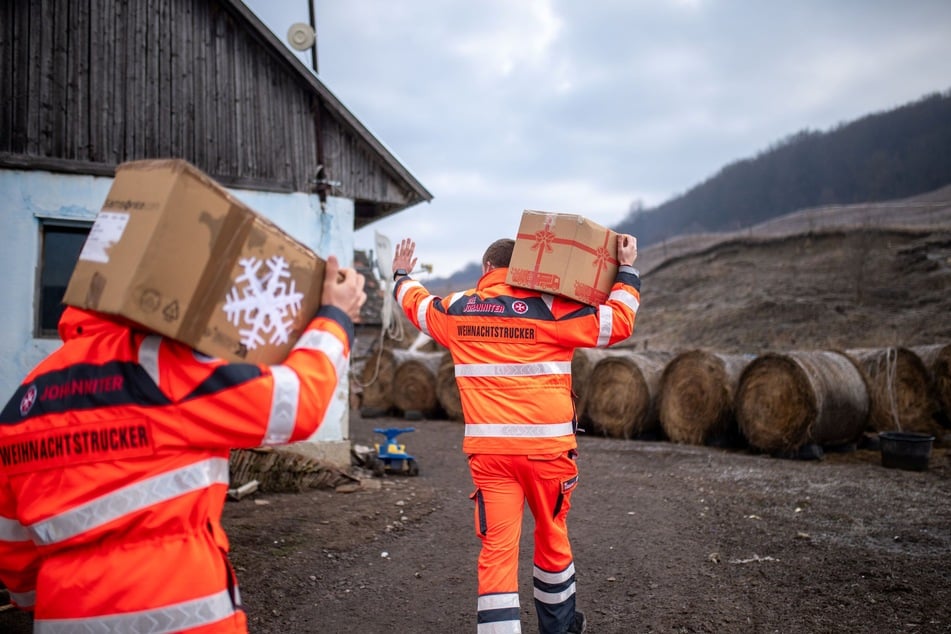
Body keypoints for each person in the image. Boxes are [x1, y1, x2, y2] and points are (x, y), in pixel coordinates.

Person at [0, 255, 366, 633]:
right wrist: (335, 317)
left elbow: (14, 552)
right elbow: (296, 404)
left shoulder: (22, 402)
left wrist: (42, 599)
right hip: (187, 617)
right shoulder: (162, 364)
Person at [392, 233, 640, 633]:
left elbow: (417, 305)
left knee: (497, 552)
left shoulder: (457, 308)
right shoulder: (551, 308)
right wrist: (627, 270)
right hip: (548, 454)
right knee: (551, 536)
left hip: (490, 457)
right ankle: (558, 628)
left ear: (487, 269)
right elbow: (618, 323)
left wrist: (401, 274)